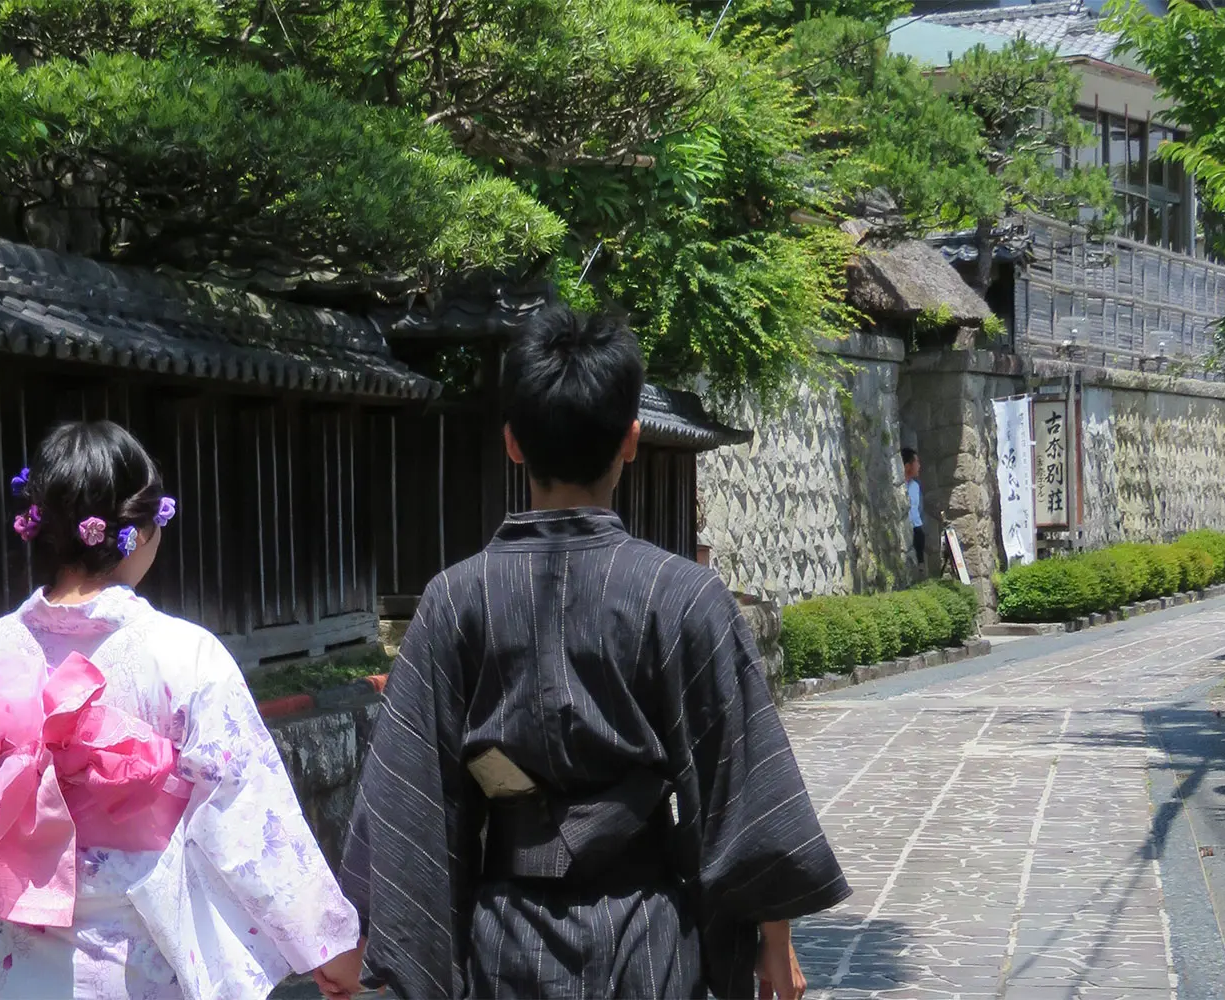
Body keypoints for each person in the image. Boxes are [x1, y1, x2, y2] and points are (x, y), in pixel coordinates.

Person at [323, 308, 850, 1000]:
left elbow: (411, 801)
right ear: (632, 440)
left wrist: (364, 948)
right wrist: (773, 943)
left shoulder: (454, 602)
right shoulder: (684, 598)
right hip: (652, 943)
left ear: (512, 443)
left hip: (504, 943)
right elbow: (742, 787)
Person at [0, 420, 361, 1000]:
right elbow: (246, 813)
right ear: (137, 533)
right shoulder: (185, 657)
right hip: (139, 949)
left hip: (7, 943)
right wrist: (329, 943)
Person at [903, 447, 926, 565]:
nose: (919, 466)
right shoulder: (901, 487)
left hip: (917, 529)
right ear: (907, 466)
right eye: (916, 462)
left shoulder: (915, 486)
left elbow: (918, 508)